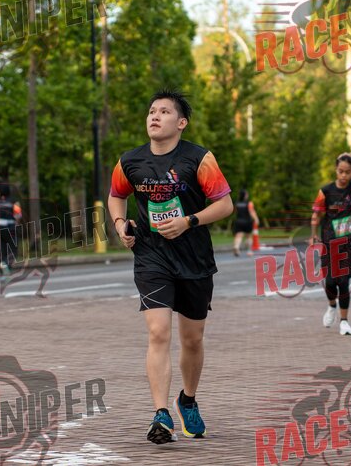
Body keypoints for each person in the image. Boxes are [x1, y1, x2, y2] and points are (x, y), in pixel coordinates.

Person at [108, 90, 233, 445]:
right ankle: (160, 414)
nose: (155, 116)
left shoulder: (199, 158)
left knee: (192, 339)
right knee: (158, 332)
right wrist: (120, 225)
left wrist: (188, 221)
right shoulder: (130, 161)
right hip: (151, 256)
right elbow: (116, 196)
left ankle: (187, 400)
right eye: (152, 111)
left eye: (164, 111)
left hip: (194, 257)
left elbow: (224, 205)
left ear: (181, 123)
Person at [310, 152, 351, 335]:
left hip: (349, 241)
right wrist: (313, 236)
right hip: (329, 240)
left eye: (348, 172)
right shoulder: (325, 191)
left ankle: (344, 321)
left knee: (343, 281)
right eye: (340, 171)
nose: (343, 175)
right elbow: (316, 215)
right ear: (336, 170)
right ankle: (331, 305)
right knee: (329, 281)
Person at [232, 189, 259, 256]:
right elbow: (251, 212)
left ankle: (236, 247)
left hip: (238, 221)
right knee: (248, 236)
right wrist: (256, 219)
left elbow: (235, 212)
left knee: (238, 235)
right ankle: (249, 251)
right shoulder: (249, 203)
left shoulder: (237, 203)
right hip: (247, 221)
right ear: (245, 195)